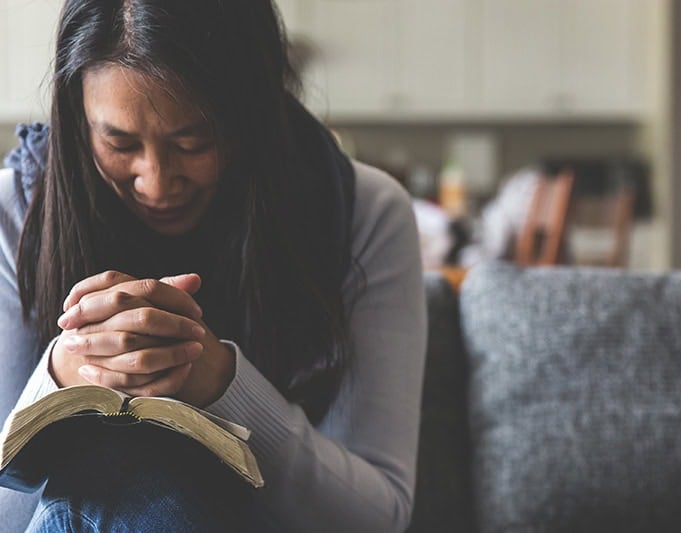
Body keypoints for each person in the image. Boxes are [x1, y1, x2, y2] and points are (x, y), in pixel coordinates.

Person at [0, 0, 426, 531]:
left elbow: (377, 517)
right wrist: (67, 373)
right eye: (119, 142)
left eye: (193, 142)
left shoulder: (363, 212)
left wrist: (221, 385)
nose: (156, 182)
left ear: (254, 116)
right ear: (74, 118)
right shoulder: (18, 209)